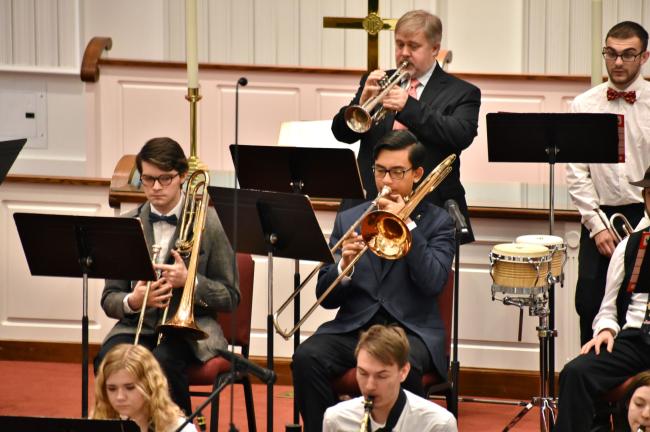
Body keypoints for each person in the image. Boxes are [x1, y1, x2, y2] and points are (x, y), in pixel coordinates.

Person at [292, 130, 456, 432]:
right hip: (355, 327)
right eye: (380, 171)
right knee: (306, 357)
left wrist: (406, 225)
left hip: (410, 330)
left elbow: (433, 282)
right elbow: (325, 296)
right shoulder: (350, 218)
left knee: (410, 368)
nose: (387, 182)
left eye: (397, 172)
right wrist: (344, 265)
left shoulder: (438, 222)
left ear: (417, 174)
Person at [94, 137, 239, 415]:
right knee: (108, 360)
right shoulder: (127, 225)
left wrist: (191, 283)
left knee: (162, 362)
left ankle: (176, 427)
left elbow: (230, 298)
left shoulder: (211, 224)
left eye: (165, 179)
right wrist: (134, 301)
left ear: (183, 176)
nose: (156, 187)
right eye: (148, 179)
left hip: (191, 333)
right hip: (136, 325)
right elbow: (110, 298)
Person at [331, 9, 480, 243]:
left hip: (428, 207)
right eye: (399, 45)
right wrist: (363, 104)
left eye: (413, 46)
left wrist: (408, 106)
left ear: (434, 48)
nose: (404, 53)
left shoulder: (462, 92)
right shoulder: (378, 81)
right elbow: (342, 134)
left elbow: (460, 135)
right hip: (370, 200)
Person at [566, 21, 650, 347]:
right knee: (588, 301)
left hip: (644, 216)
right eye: (611, 53)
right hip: (598, 217)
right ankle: (591, 386)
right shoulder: (584, 104)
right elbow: (576, 171)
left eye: (627, 55)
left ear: (643, 57)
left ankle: (634, 395)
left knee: (635, 305)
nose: (617, 62)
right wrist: (597, 226)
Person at [555, 167, 650, 432]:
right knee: (576, 373)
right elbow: (608, 309)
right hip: (636, 340)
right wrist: (606, 329)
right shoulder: (629, 245)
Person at [323, 324, 457, 431]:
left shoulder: (438, 425)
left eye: (381, 376)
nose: (369, 386)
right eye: (363, 373)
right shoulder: (335, 419)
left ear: (404, 371)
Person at [93, 343, 197, 432]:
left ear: (149, 386)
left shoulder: (180, 428)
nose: (120, 397)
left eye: (130, 388)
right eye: (112, 389)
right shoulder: (97, 425)